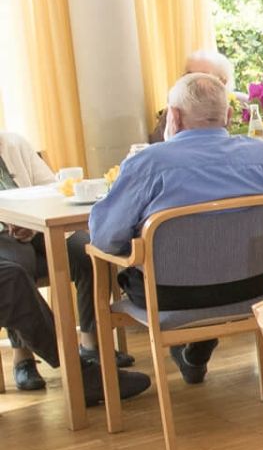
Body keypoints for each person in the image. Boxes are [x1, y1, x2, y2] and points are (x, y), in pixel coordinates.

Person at [89, 73, 263, 386]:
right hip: (250, 285)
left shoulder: (148, 164)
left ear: (173, 116)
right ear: (228, 116)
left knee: (125, 263)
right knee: (213, 258)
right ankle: (198, 353)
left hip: (171, 297)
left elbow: (105, 239)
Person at [0, 131, 150, 404]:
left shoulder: (13, 142)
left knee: (89, 249)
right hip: (5, 236)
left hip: (38, 227)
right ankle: (24, 358)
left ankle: (91, 343)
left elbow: (53, 188)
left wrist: (30, 220)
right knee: (18, 266)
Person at [149, 49, 236, 143]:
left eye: (201, 76)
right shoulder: (174, 111)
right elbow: (155, 147)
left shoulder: (241, 114)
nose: (193, 82)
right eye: (188, 75)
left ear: (223, 81)